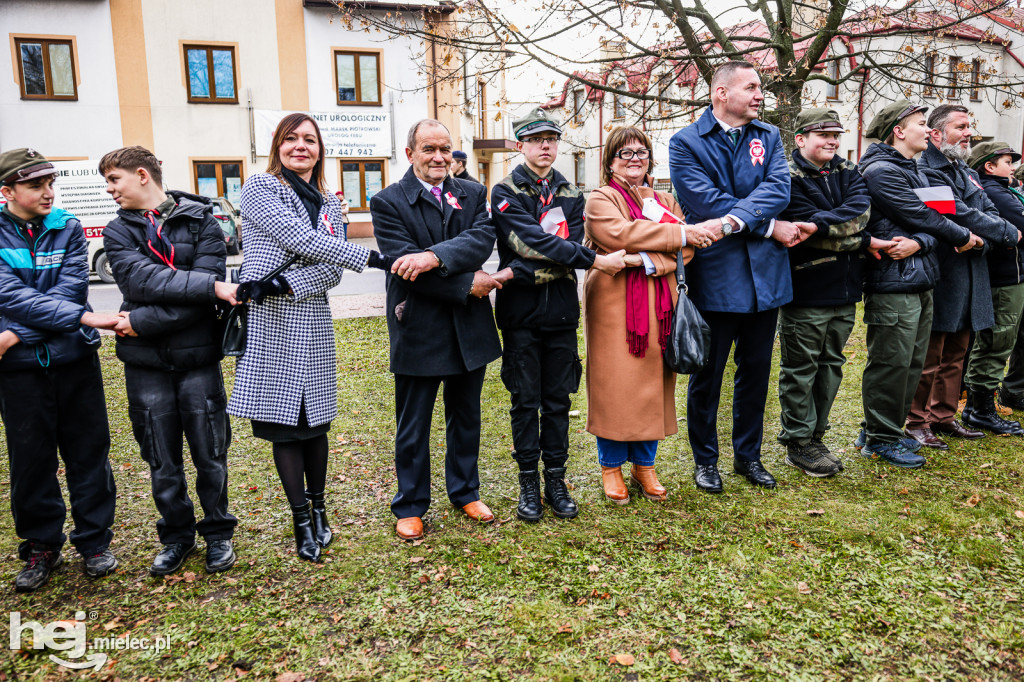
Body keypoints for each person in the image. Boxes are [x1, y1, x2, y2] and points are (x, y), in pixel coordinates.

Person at [228, 113, 394, 562]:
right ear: (277, 145)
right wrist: (375, 259)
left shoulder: (327, 200)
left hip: (313, 319)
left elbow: (330, 267)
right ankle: (300, 518)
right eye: (291, 139)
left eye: (310, 140)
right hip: (272, 322)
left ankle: (320, 511)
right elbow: (300, 239)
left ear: (320, 149)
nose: (301, 146)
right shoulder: (261, 188)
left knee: (314, 422)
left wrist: (286, 282)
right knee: (284, 426)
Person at [101, 146, 242, 576]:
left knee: (210, 452)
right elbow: (138, 279)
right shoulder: (118, 231)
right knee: (161, 458)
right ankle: (177, 537)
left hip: (198, 359)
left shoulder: (203, 221)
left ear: (141, 175)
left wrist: (140, 321)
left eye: (114, 180)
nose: (109, 190)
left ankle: (218, 534)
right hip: (145, 366)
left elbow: (205, 294)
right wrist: (201, 289)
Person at [490, 107, 628, 521]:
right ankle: (528, 484)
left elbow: (548, 249)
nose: (545, 146)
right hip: (520, 316)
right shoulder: (504, 192)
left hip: (562, 316)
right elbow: (528, 242)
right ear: (521, 145)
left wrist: (524, 269)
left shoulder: (570, 194)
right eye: (535, 140)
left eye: (550, 138)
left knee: (557, 400)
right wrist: (588, 259)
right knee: (524, 400)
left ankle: (555, 480)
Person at [370, 119, 504, 541]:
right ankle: (410, 505)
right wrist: (465, 281)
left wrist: (431, 256)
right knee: (414, 425)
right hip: (419, 326)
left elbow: (482, 240)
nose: (439, 157)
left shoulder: (473, 193)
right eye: (429, 149)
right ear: (410, 154)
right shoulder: (387, 202)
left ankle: (465, 491)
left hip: (469, 328)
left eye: (445, 149)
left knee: (466, 418)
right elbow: (403, 266)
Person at [668, 60, 798, 493]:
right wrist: (764, 223)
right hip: (717, 279)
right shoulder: (685, 142)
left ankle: (749, 456)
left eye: (760, 87)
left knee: (756, 372)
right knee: (708, 375)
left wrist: (739, 219)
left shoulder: (770, 135)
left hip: (766, 280)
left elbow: (779, 188)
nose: (761, 95)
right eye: (752, 87)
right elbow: (703, 202)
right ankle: (706, 461)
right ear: (721, 93)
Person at [0, 149, 120, 592]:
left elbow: (72, 294)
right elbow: (7, 295)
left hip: (73, 363)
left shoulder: (68, 227)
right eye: (35, 185)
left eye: (50, 183)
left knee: (88, 454)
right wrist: (34, 331)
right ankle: (41, 546)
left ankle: (93, 543)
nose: (48, 192)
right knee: (31, 461)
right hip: (19, 374)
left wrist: (12, 336)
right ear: (8, 191)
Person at [584, 126, 707, 503]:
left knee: (653, 383)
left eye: (642, 152)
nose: (635, 159)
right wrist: (678, 236)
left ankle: (645, 466)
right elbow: (621, 234)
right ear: (610, 162)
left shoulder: (665, 199)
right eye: (626, 153)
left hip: (659, 301)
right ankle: (611, 468)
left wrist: (644, 260)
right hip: (611, 302)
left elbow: (686, 252)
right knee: (614, 385)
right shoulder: (599, 199)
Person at [857, 100, 975, 467]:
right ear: (898, 130)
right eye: (922, 123)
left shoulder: (913, 169)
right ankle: (879, 438)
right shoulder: (880, 171)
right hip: (893, 281)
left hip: (921, 275)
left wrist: (925, 241)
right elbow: (920, 214)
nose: (928, 130)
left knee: (910, 364)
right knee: (891, 364)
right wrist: (962, 235)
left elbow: (930, 225)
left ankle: (885, 430)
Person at [776, 109, 887, 477]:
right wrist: (856, 238)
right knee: (801, 369)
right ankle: (798, 441)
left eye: (836, 134)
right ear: (801, 138)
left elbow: (860, 212)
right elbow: (798, 223)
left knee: (831, 366)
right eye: (822, 134)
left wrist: (825, 225)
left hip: (845, 288)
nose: (832, 141)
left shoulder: (847, 171)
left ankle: (816, 436)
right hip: (806, 289)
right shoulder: (785, 176)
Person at [906, 105, 1018, 448]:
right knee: (931, 353)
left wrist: (984, 239)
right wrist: (1000, 233)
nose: (969, 133)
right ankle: (916, 421)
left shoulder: (964, 169)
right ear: (937, 133)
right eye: (962, 127)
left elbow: (988, 210)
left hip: (972, 267)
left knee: (958, 351)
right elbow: (957, 213)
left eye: (970, 126)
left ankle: (943, 415)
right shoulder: (927, 168)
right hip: (944, 270)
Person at [962, 141, 1024, 434]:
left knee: (1000, 341)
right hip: (1002, 278)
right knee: (996, 341)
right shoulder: (996, 193)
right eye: (1007, 161)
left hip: (1010, 275)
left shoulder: (1004, 190)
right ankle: (981, 410)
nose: (1011, 167)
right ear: (989, 166)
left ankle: (980, 407)